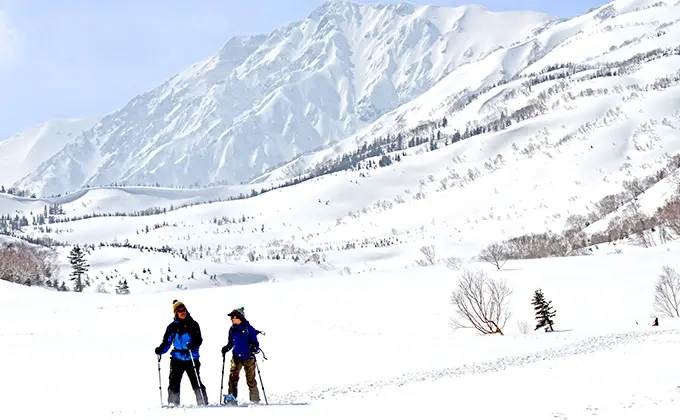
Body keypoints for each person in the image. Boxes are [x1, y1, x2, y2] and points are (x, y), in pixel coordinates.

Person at [155, 300, 208, 406]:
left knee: (196, 381)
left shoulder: (193, 324)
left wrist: (193, 345)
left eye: (183, 310)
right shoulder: (172, 327)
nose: (182, 312)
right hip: (177, 358)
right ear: (176, 313)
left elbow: (199, 339)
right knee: (174, 382)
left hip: (191, 357)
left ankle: (202, 402)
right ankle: (173, 403)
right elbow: (167, 342)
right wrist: (161, 350)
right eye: (179, 311)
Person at [221, 307, 261, 404]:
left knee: (250, 380)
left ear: (240, 318)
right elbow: (231, 343)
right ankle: (231, 399)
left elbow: (255, 344)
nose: (232, 319)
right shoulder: (232, 330)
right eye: (231, 318)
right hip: (236, 357)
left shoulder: (249, 329)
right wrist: (226, 348)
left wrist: (253, 348)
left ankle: (255, 401)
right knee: (232, 378)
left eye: (234, 317)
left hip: (248, 357)